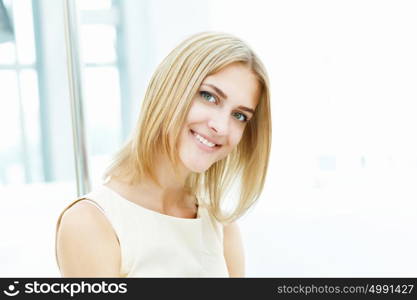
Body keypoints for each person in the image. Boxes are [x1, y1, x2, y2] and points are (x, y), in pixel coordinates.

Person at [55, 31, 271, 277]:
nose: (221, 127)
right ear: (170, 90)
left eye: (239, 116)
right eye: (209, 96)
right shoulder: (90, 223)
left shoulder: (221, 227)